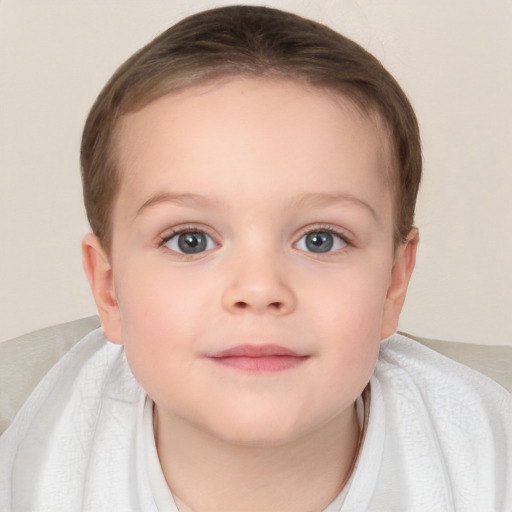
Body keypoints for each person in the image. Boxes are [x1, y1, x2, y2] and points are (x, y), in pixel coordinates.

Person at [0, 5, 510, 511]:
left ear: (393, 284)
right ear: (109, 289)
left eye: (321, 240)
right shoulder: (22, 452)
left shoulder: (489, 458)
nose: (259, 289)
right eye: (190, 240)